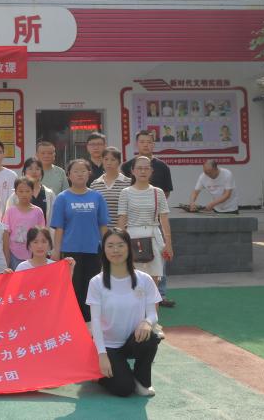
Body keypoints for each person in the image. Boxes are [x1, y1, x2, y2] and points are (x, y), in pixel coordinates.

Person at [87, 228, 162, 397]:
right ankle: (97, 372)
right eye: (110, 246)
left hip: (133, 341)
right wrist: (102, 355)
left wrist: (147, 322)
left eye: (120, 245)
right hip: (108, 346)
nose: (116, 250)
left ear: (129, 247)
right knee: (124, 388)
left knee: (151, 337)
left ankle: (143, 381)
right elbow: (95, 321)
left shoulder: (144, 279)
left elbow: (153, 314)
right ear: (104, 250)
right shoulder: (96, 282)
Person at [50, 159, 110, 321]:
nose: (80, 174)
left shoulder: (97, 197)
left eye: (83, 171)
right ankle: (74, 320)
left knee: (92, 286)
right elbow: (59, 227)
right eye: (75, 171)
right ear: (69, 175)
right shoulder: (62, 198)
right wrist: (56, 250)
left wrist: (107, 248)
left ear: (89, 174)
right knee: (73, 287)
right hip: (70, 250)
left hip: (93, 249)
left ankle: (91, 321)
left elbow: (103, 226)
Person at [120, 130, 174, 307]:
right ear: (132, 171)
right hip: (131, 235)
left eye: (146, 169)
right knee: (132, 281)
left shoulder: (158, 193)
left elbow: (164, 219)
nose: (143, 171)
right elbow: (122, 220)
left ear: (152, 171)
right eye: (139, 168)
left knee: (153, 283)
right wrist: (119, 241)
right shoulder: (125, 193)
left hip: (153, 235)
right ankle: (134, 317)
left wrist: (168, 244)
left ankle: (152, 318)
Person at [2, 177, 46, 270]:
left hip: (33, 254)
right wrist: (6, 254)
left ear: (32, 191)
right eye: (21, 191)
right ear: (16, 192)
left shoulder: (38, 212)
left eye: (27, 191)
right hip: (14, 253)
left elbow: (42, 234)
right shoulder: (10, 211)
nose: (24, 194)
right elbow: (5, 233)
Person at [5, 157, 54, 224]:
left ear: (42, 172)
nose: (34, 172)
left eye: (37, 169)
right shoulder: (15, 196)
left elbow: (52, 218)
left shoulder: (49, 194)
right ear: (24, 172)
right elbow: (8, 219)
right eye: (30, 169)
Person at [91, 147, 133, 218]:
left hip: (123, 224)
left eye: (113, 160)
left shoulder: (129, 183)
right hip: (101, 225)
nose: (109, 163)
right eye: (106, 159)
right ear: (102, 161)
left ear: (119, 162)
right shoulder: (95, 184)